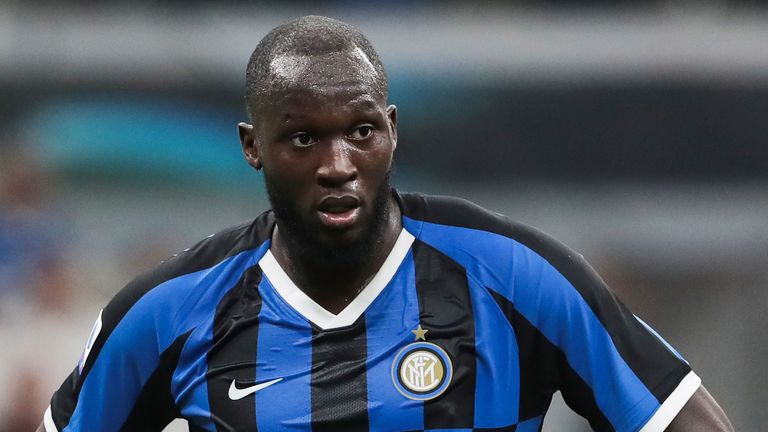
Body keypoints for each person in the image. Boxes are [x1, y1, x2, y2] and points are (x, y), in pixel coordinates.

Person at [38, 15, 733, 432]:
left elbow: (682, 418)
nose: (339, 164)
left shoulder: (511, 273)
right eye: (304, 138)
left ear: (392, 133)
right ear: (253, 146)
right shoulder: (168, 310)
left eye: (361, 131)